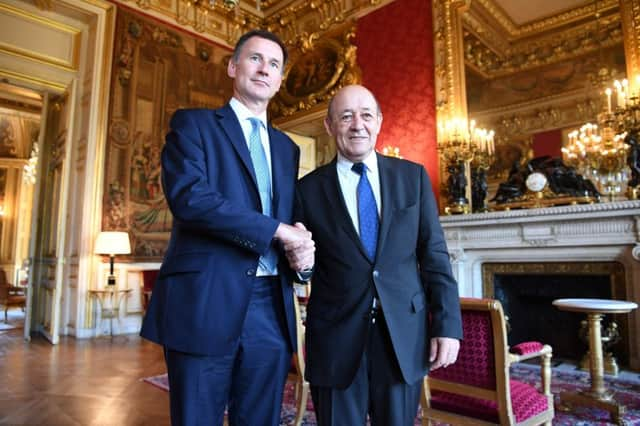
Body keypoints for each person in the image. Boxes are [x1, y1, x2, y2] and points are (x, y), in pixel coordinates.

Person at [140, 29, 315, 426]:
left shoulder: (287, 148)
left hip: (271, 306)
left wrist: (303, 253)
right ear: (234, 67)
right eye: (255, 59)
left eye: (274, 64)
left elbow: (293, 219)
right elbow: (192, 200)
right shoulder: (194, 125)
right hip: (205, 299)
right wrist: (278, 231)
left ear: (280, 79)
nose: (264, 69)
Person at [289, 84, 462, 425]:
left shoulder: (411, 177)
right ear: (329, 126)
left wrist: (448, 325)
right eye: (346, 116)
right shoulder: (306, 190)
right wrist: (302, 268)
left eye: (366, 115)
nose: (358, 124)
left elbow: (435, 255)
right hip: (336, 338)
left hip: (402, 337)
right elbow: (301, 267)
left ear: (379, 121)